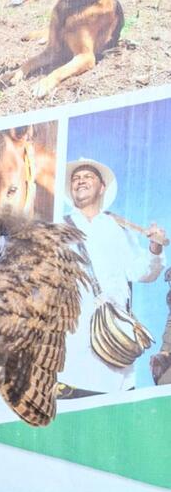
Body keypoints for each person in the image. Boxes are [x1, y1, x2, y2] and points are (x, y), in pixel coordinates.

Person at [58, 158, 166, 397]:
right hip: (71, 356)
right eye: (76, 178)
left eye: (88, 177)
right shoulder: (57, 228)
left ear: (102, 188)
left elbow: (143, 272)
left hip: (114, 354)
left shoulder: (118, 228)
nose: (80, 181)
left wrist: (155, 248)